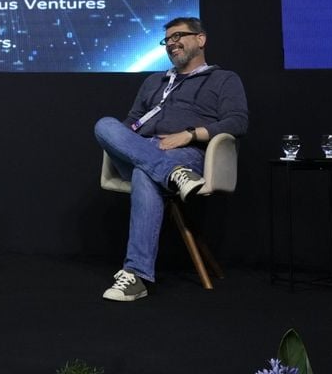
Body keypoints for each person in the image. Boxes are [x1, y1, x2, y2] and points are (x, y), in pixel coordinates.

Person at [93, 16, 248, 301]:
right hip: (146, 149)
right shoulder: (154, 81)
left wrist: (190, 134)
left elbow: (237, 122)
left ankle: (136, 276)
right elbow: (132, 122)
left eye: (179, 36)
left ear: (200, 39)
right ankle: (171, 173)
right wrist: (123, 142)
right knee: (105, 125)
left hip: (188, 154)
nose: (171, 43)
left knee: (144, 173)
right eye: (167, 40)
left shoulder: (224, 79)